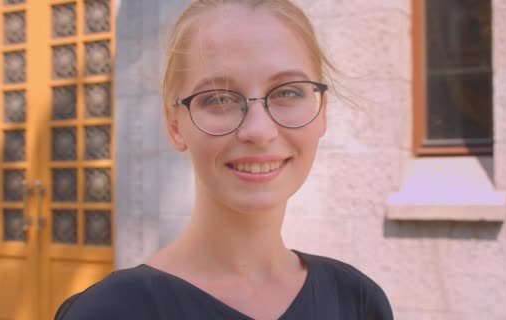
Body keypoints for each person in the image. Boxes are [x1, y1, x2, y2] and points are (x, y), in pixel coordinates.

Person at [55, 0, 393, 319]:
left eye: (288, 92)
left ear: (322, 113)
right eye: (219, 98)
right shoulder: (109, 312)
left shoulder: (357, 301)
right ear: (175, 126)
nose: (259, 131)